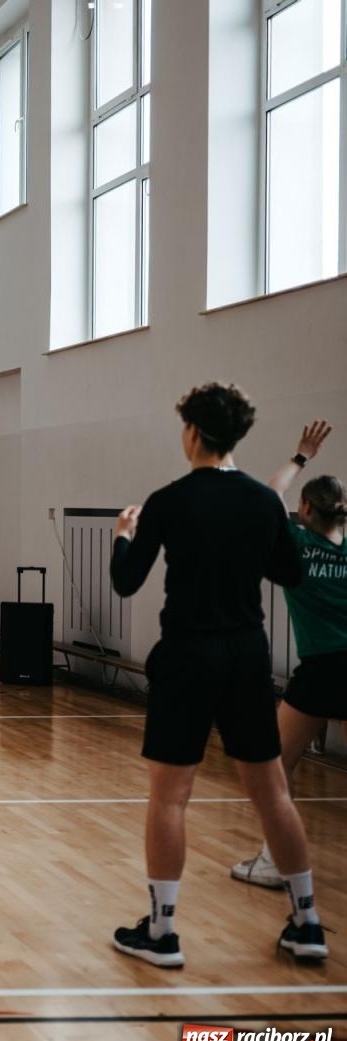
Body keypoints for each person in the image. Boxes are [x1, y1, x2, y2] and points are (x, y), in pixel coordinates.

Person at [110, 383, 326, 966]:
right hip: (246, 655)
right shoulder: (262, 501)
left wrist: (122, 538)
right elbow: (290, 574)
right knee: (272, 791)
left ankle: (162, 933)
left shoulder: (169, 500)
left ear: (193, 432)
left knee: (170, 797)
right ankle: (307, 923)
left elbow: (126, 581)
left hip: (188, 655)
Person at [231, 420, 345, 890]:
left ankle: (277, 862)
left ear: (305, 509)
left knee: (274, 765)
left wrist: (301, 456)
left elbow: (267, 495)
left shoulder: (296, 546)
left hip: (323, 671)